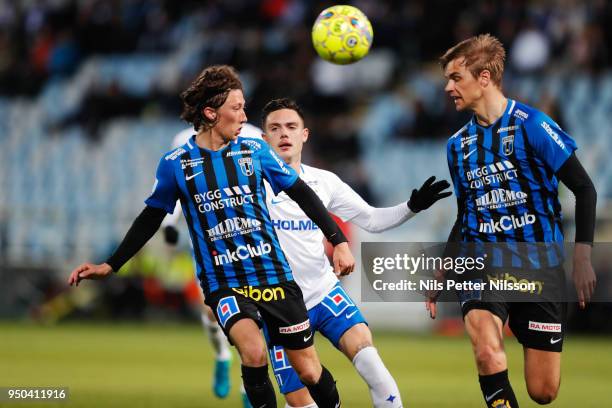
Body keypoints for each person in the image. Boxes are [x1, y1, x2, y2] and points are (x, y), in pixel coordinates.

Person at [68, 65, 355, 408]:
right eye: (236, 108)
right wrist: (111, 265)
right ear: (211, 113)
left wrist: (337, 240)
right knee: (253, 352)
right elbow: (151, 216)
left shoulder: (254, 152)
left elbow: (301, 192)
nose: (244, 115)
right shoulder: (177, 163)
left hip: (274, 275)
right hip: (224, 281)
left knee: (308, 371)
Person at [426, 34, 597, 407]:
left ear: (484, 77)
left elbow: (584, 189)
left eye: (456, 77)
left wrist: (582, 256)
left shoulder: (532, 125)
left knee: (543, 391)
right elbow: (467, 212)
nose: (448, 87)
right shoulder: (457, 145)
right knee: (487, 352)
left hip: (540, 265)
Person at [259, 98, 451, 408]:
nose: (284, 134)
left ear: (304, 134)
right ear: (264, 138)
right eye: (275, 128)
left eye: (291, 127)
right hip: (278, 305)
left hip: (322, 292)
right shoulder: (252, 186)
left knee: (370, 360)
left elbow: (372, 219)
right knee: (301, 401)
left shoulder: (325, 182)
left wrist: (412, 207)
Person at [161, 123, 265, 408]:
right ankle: (221, 356)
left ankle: (249, 386)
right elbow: (178, 185)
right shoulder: (184, 139)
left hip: (250, 239)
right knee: (211, 310)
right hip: (209, 240)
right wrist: (169, 222)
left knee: (256, 315)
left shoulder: (254, 136)